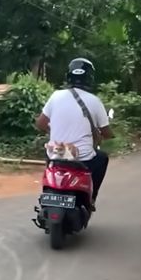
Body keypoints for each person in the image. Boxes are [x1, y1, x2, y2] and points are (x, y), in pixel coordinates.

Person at [35, 58, 113, 208]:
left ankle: (49, 191)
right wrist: (109, 135)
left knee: (50, 159)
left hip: (57, 153)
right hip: (82, 157)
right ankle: (92, 197)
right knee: (102, 158)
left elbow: (40, 123)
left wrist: (53, 129)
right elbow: (106, 132)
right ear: (90, 77)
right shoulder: (95, 101)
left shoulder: (55, 96)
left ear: (69, 75)